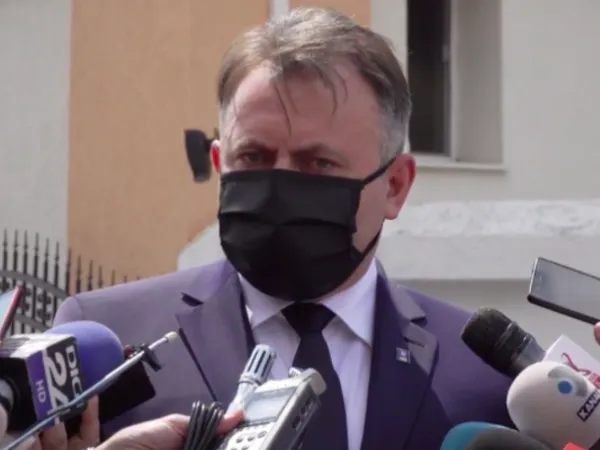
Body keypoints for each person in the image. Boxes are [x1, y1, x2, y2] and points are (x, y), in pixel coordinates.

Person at [51, 6, 514, 450]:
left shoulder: (488, 375)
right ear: (220, 163)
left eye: (319, 162)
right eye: (253, 157)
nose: (279, 187)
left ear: (395, 186)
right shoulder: (103, 342)